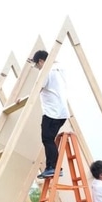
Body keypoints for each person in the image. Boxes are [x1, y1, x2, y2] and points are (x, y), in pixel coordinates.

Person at [32, 50, 69, 179]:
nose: (38, 68)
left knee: (47, 139)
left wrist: (24, 98)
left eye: (37, 65)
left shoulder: (46, 70)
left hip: (51, 113)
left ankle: (53, 167)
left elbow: (37, 89)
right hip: (63, 113)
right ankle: (53, 167)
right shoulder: (60, 69)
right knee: (50, 140)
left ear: (41, 61)